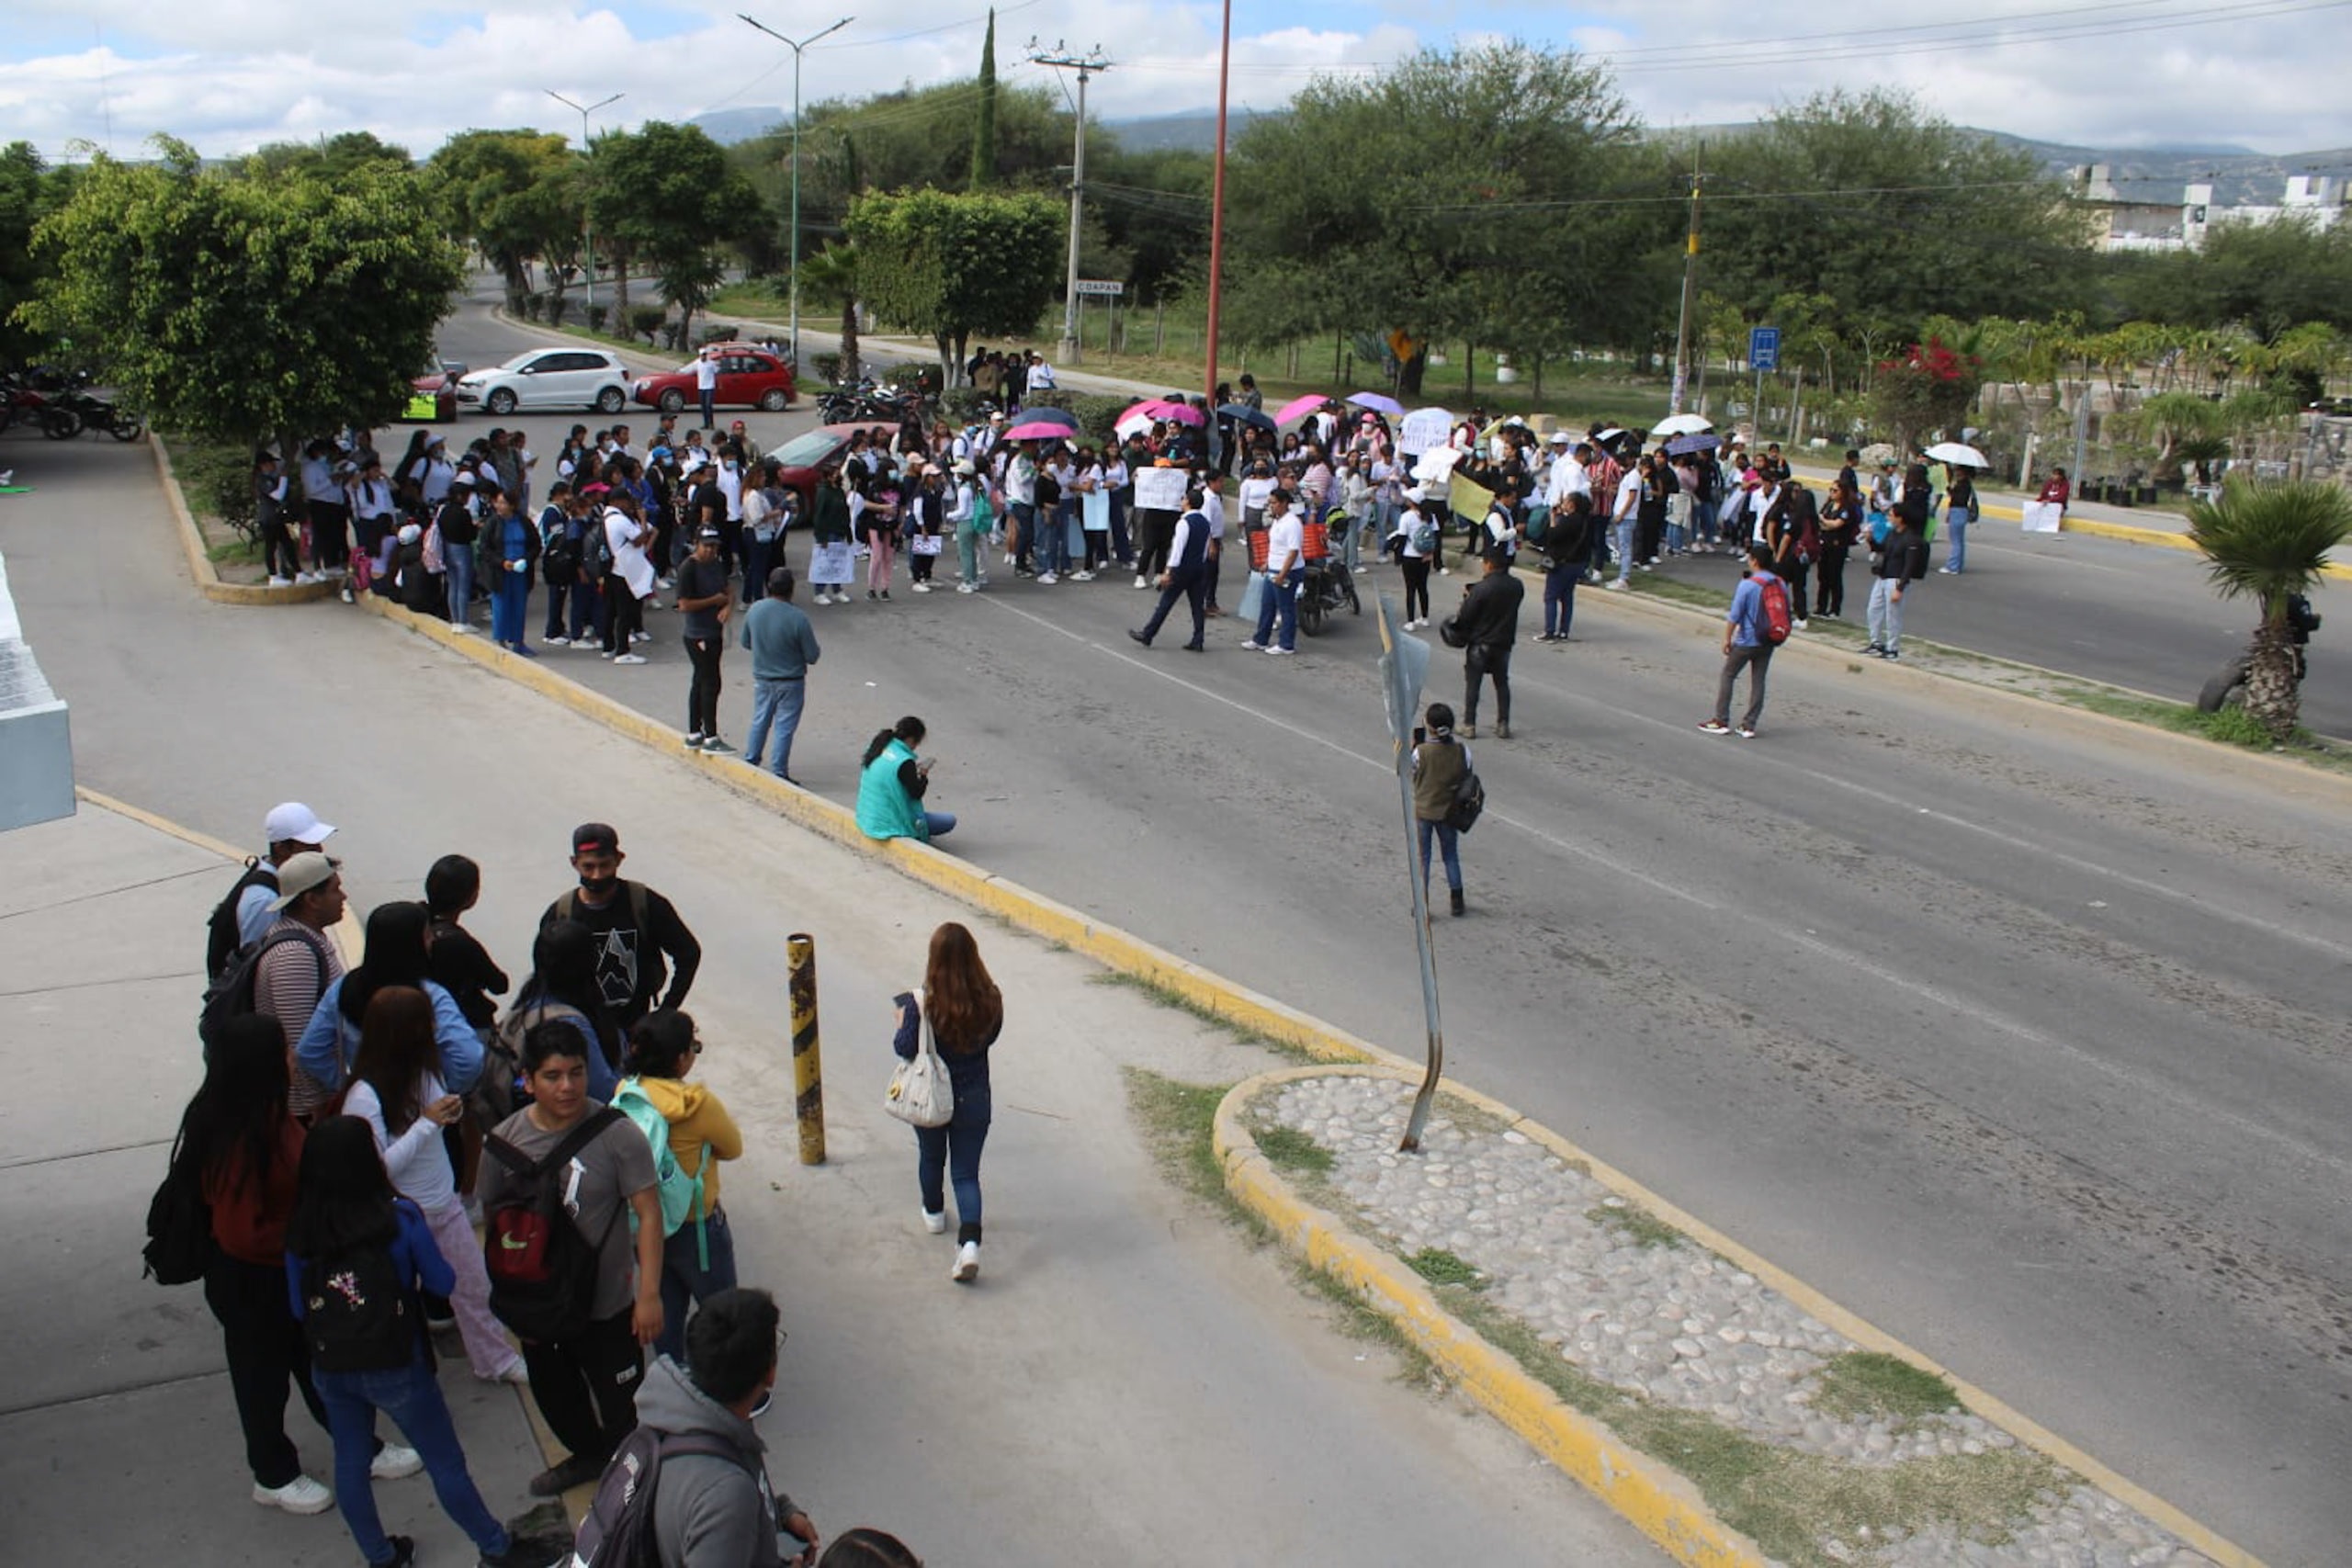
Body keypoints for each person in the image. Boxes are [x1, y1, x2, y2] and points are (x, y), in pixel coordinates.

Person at [286, 1116, 567, 1568]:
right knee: (445, 1462)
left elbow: (299, 1309)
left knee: (351, 1462)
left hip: (332, 1367)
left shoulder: (301, 1233)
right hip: (398, 1363)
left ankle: (381, 1557)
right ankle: (496, 1549)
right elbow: (442, 1280)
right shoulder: (398, 1219)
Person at [176, 1017, 419, 1517]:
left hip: (281, 1272)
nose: (293, 1055)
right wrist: (311, 1239)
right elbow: (241, 1232)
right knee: (262, 1377)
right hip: (253, 1281)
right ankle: (273, 1473)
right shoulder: (239, 1136)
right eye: (284, 1048)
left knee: (316, 1363)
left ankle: (361, 1445)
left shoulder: (263, 1112)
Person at [480, 1021, 663, 1497]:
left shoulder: (618, 1135)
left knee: (624, 1405)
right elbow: (497, 1225)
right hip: (541, 1305)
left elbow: (648, 1212)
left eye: (577, 1073)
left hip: (609, 1307)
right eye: (552, 1075)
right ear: (527, 1080)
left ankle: (633, 1486)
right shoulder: (502, 1143)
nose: (567, 1087)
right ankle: (587, 1455)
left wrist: (648, 1295)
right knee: (558, 1400)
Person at [336, 985, 522, 1384]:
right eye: (427, 1022)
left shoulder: (423, 1074)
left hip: (444, 1207)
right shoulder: (364, 1097)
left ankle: (495, 1361)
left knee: (474, 1288)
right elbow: (378, 1167)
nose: (436, 1029)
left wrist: (445, 1114)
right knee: (396, 1302)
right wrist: (428, 1123)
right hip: (400, 1221)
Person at [638, 1288, 820, 1568]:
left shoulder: (674, 1415)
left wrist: (780, 1513)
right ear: (770, 1375)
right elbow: (716, 1510)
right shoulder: (726, 1495)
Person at [620, 1010, 743, 1363]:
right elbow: (732, 1147)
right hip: (697, 1225)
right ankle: (732, 1385)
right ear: (680, 1059)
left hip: (648, 1226)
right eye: (693, 1046)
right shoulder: (696, 1105)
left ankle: (673, 1382)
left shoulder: (627, 1092)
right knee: (723, 1314)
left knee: (666, 1311)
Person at [295, 900, 485, 1113]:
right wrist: (445, 1091)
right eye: (426, 935)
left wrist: (347, 1085)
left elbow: (309, 1051)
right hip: (422, 1112)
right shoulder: (429, 996)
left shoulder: (344, 989)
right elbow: (469, 1057)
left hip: (364, 1110)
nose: (432, 940)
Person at [892, 923, 1003, 1282]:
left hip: (932, 1097)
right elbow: (992, 1037)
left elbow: (904, 1048)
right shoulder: (991, 998)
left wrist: (902, 1022)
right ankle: (969, 1245)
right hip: (974, 1097)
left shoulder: (919, 1002)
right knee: (967, 1174)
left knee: (931, 1157)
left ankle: (935, 1213)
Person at [540, 823, 702, 1027]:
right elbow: (544, 977)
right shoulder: (560, 914)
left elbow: (688, 953)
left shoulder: (645, 904)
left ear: (619, 859)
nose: (597, 875)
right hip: (582, 1031)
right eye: (588, 867)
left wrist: (665, 1012)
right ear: (574, 863)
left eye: (605, 865)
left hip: (634, 1028)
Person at [215, 801, 339, 967]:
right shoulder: (265, 900)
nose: (319, 850)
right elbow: (253, 964)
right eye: (309, 846)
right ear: (281, 848)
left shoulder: (272, 876)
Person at [740, 567, 822, 784]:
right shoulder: (798, 618)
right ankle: (778, 770)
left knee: (760, 720)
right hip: (791, 680)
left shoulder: (755, 610)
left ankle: (751, 760)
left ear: (768, 586)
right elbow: (812, 655)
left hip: (763, 678)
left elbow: (746, 642)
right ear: (791, 590)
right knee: (784, 727)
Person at [1700, 543, 1783, 739]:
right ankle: (1749, 725)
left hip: (1747, 640)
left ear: (1754, 561)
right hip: (1769, 639)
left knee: (1728, 674)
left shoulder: (1747, 585)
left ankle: (1721, 720)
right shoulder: (1779, 583)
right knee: (1758, 680)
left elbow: (1734, 615)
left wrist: (1727, 639)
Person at [1451, 547, 1523, 739]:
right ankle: (1503, 723)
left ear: (1489, 564)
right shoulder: (1517, 586)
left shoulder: (1482, 589)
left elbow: (1466, 616)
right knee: (1501, 683)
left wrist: (1467, 599)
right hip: (1504, 642)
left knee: (1473, 684)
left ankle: (1469, 724)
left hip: (1481, 643)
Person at [1126, 485, 1211, 651]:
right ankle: (1198, 638)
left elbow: (1177, 550)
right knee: (1197, 606)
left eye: (1184, 499)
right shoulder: (1205, 523)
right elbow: (1205, 548)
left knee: (1165, 603)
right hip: (1198, 568)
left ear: (1188, 502)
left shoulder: (1184, 522)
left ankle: (1148, 634)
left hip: (1182, 569)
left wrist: (1168, 571)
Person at [676, 526, 734, 751]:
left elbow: (729, 591)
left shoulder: (716, 565)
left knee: (703, 681)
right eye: (706, 546)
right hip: (697, 634)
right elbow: (684, 605)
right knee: (709, 682)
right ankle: (709, 735)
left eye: (714, 546)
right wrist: (714, 601)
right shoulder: (688, 569)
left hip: (714, 632)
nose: (711, 551)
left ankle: (695, 732)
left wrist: (728, 606)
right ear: (696, 544)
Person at [1410, 704, 1471, 918]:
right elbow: (1467, 774)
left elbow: (1408, 772)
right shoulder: (1461, 751)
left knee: (1423, 858)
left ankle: (1422, 905)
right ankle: (1457, 900)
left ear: (1429, 726)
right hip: (1448, 813)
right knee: (1451, 855)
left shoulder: (1421, 752)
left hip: (1424, 812)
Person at [856, 718, 954, 842]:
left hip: (866, 817)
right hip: (890, 824)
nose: (916, 747)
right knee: (949, 821)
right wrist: (923, 775)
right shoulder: (905, 762)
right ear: (911, 739)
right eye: (917, 742)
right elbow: (916, 793)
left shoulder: (879, 746)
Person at [1867, 495, 1931, 660]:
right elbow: (1882, 549)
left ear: (1901, 518)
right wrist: (1871, 540)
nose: (1889, 517)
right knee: (1873, 609)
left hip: (1895, 579)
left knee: (1893, 615)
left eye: (1891, 515)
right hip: (1882, 576)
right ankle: (1875, 641)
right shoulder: (1892, 534)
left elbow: (1909, 566)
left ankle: (1892, 647)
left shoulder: (1911, 540)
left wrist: (1900, 588)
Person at [1243, 488, 1305, 656]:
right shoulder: (1277, 521)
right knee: (1267, 605)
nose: (1271, 506)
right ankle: (1260, 639)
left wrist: (1282, 574)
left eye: (1274, 503)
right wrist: (1266, 563)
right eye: (1269, 503)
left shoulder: (1292, 523)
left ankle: (1286, 644)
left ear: (1284, 503)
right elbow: (1277, 546)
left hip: (1287, 571)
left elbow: (1293, 552)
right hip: (1273, 568)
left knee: (1286, 608)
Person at [482, 486, 539, 656]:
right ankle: (501, 641)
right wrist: (501, 562)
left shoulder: (523, 522)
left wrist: (526, 560)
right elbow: (485, 548)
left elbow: (535, 544)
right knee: (501, 606)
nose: (499, 506)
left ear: (512, 505)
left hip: (520, 572)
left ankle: (518, 641)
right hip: (501, 572)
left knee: (519, 607)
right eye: (498, 503)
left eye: (503, 503)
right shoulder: (493, 523)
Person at [1533, 491, 1593, 643]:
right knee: (1567, 597)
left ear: (1572, 504)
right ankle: (1564, 631)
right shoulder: (1586, 521)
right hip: (1578, 563)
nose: (1563, 503)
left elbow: (1553, 536)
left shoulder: (1569, 521)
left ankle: (1549, 632)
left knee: (1551, 597)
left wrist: (1553, 519)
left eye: (1566, 501)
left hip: (1563, 563)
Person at [1388, 486, 1436, 629]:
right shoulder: (1430, 516)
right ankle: (1425, 617)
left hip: (1410, 556)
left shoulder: (1406, 517)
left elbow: (1402, 538)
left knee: (1410, 589)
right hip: (1425, 556)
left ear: (1411, 501)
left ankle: (1410, 621)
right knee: (1423, 587)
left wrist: (1398, 556)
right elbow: (1435, 535)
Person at [255, 447, 300, 587]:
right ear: (263, 465)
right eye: (270, 463)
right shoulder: (262, 480)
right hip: (269, 519)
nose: (274, 466)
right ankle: (273, 575)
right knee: (271, 547)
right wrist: (284, 478)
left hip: (276, 518)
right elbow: (278, 495)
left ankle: (298, 572)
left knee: (288, 544)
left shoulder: (269, 478)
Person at [1941, 467, 1979, 574]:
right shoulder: (1964, 483)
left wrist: (1951, 491)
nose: (1956, 472)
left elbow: (1959, 499)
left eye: (1958, 470)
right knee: (1959, 540)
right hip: (1960, 512)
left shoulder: (1964, 484)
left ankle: (1953, 566)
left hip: (1958, 511)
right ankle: (1957, 564)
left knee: (1955, 541)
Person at [695, 349, 720, 429]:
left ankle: (711, 423)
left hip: (709, 387)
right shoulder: (697, 363)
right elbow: (690, 369)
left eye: (705, 355)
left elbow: (717, 371)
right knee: (703, 407)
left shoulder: (711, 363)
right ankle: (706, 424)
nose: (704, 356)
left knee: (708, 406)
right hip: (701, 387)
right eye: (702, 355)